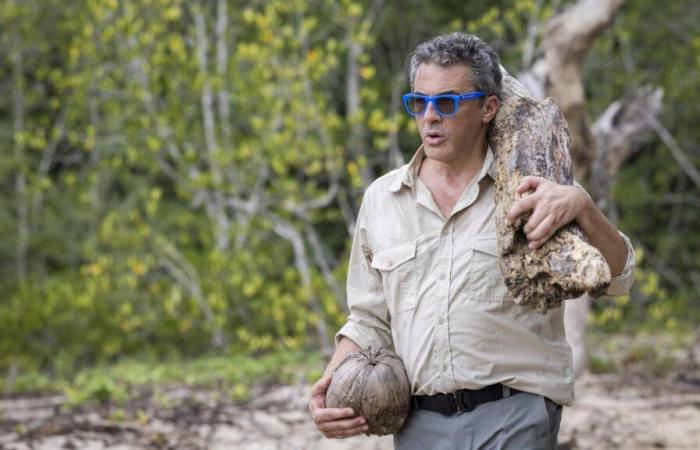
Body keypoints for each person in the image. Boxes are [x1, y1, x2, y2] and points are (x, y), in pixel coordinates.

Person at [308, 32, 635, 449]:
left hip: (514, 412)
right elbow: (369, 319)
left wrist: (583, 206)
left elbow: (620, 277)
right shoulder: (381, 199)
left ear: (488, 108)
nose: (429, 117)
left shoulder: (535, 192)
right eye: (418, 102)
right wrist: (330, 384)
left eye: (446, 103)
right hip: (417, 423)